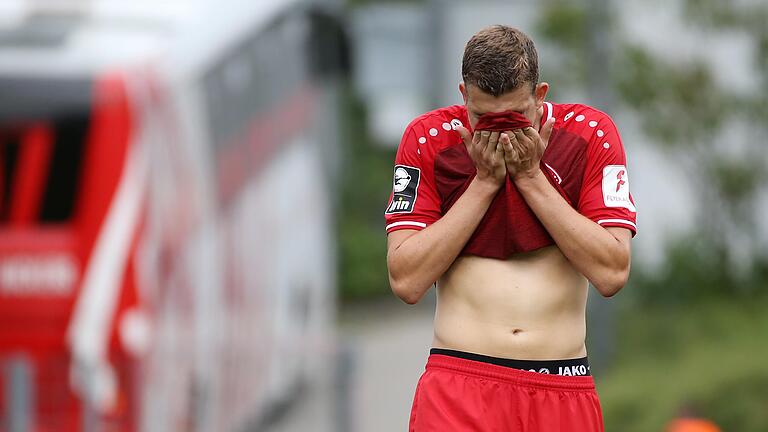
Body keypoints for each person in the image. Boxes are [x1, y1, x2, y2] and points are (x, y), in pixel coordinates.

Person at [384, 25, 636, 431]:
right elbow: (406, 280)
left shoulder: (590, 134)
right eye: (483, 118)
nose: (499, 133)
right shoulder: (428, 138)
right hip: (459, 383)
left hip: (561, 384)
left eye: (515, 118)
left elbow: (612, 271)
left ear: (541, 96)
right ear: (463, 95)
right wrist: (483, 183)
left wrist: (532, 178)